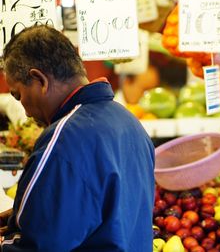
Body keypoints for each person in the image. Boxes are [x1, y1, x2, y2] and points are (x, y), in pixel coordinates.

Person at [0, 25, 155, 252]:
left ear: (39, 80)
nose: (25, 111)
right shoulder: (130, 123)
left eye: (18, 95)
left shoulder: (64, 139)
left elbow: (40, 245)